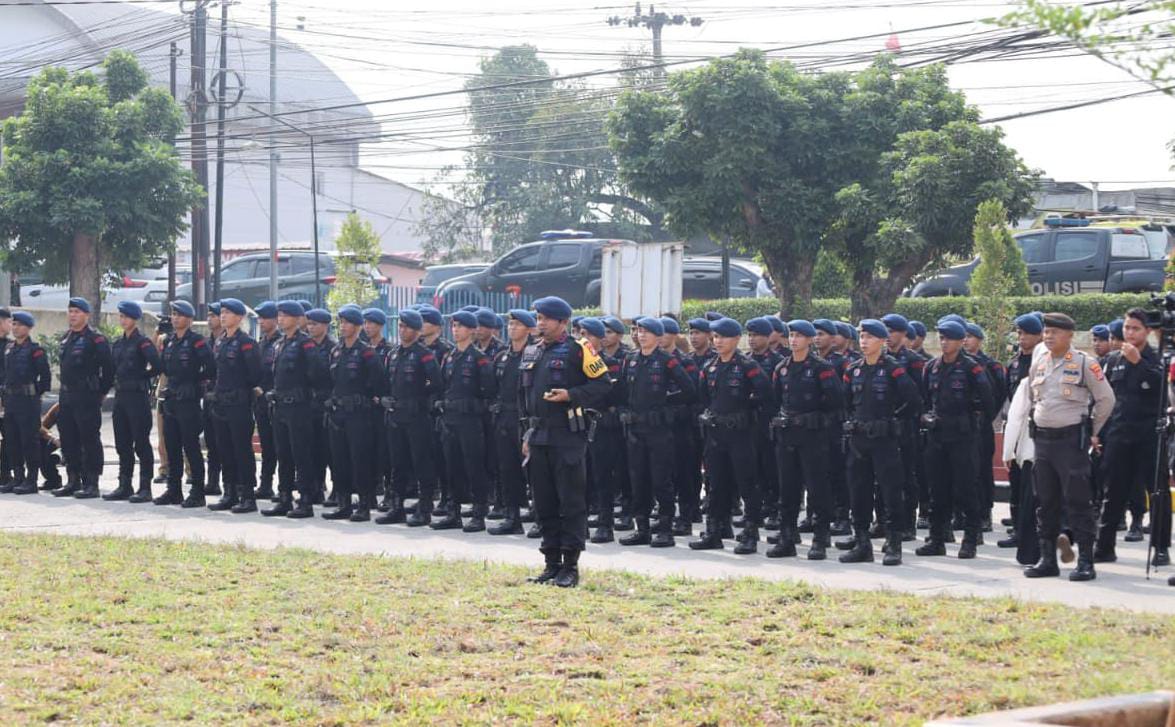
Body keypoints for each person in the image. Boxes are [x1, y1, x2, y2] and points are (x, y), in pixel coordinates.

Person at [520, 296, 610, 587]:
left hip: (567, 436)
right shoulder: (532, 351)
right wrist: (526, 434)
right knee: (543, 502)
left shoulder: (578, 349)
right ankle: (550, 562)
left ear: (562, 323)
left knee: (570, 502)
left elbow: (602, 384)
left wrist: (571, 395)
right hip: (538, 436)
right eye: (538, 317)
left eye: (546, 318)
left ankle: (570, 565)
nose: (540, 323)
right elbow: (523, 397)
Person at [1023, 313, 1115, 582]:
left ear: (1070, 335)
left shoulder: (1085, 363)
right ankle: (1048, 559)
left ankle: (1085, 560)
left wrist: (1092, 430)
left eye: (1055, 332)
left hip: (1070, 442)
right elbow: (1032, 396)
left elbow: (1106, 399)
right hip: (1043, 442)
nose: (1049, 336)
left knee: (1078, 502)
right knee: (1046, 501)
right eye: (1046, 332)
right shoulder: (1039, 362)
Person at [839, 319, 922, 566]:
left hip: (885, 440)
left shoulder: (893, 369)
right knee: (858, 492)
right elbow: (845, 403)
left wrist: (893, 421)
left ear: (881, 341)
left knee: (890, 492)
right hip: (859, 440)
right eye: (861, 337)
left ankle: (893, 543)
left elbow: (914, 402)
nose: (864, 342)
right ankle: (862, 543)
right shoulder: (852, 369)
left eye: (869, 337)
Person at [690, 318, 772, 554]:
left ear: (736, 339)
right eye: (715, 337)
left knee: (747, 484)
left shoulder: (747, 366)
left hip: (741, 435)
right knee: (716, 485)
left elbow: (766, 396)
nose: (718, 341)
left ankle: (750, 533)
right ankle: (714, 531)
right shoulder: (710, 367)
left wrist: (748, 414)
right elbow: (705, 398)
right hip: (716, 435)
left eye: (723, 337)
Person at [916, 320, 995, 559]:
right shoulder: (931, 367)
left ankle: (970, 539)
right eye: (941, 338)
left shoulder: (972, 368)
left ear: (961, 341)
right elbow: (924, 399)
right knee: (937, 490)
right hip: (938, 437)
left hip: (963, 438)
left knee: (966, 489)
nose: (944, 342)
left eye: (949, 338)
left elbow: (988, 402)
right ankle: (937, 539)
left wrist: (974, 424)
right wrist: (926, 418)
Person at [1095, 308, 1168, 566]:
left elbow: (1161, 389)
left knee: (1156, 492)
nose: (1129, 333)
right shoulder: (1113, 359)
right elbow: (1105, 399)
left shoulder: (1158, 358)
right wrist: (1097, 433)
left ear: (1147, 331)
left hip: (1149, 434)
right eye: (1127, 328)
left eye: (1135, 328)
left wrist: (1140, 362)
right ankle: (1104, 546)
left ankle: (1160, 547)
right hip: (1119, 433)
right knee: (1113, 490)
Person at [617, 316, 697, 547]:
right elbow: (621, 391)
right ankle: (641, 528)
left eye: (647, 332)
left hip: (658, 430)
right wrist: (623, 410)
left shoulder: (667, 361)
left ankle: (664, 529)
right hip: (635, 430)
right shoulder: (630, 359)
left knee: (661, 481)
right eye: (639, 331)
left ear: (658, 336)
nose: (641, 335)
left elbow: (689, 390)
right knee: (638, 479)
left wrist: (665, 403)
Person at [768, 319, 843, 560]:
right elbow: (776, 400)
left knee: (817, 488)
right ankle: (787, 537)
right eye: (791, 335)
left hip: (813, 438)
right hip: (788, 437)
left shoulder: (822, 368)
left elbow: (836, 404)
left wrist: (815, 420)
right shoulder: (782, 368)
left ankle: (820, 538)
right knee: (788, 489)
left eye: (800, 335)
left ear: (810, 340)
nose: (794, 340)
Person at [261, 301, 328, 519]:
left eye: (286, 316)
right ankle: (284, 497)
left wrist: (307, 395)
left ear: (298, 319)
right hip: (280, 407)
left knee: (301, 455)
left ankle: (306, 499)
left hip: (299, 407)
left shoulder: (305, 344)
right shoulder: (280, 343)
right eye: (279, 315)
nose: (280, 319)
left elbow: (318, 374)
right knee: (283, 454)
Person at [376, 308, 443, 527]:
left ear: (416, 331)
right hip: (396, 416)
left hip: (417, 416)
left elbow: (437, 384)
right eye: (401, 326)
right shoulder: (393, 354)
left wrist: (423, 400)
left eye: (407, 327)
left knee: (421, 462)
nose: (402, 330)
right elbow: (387, 382)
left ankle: (424, 508)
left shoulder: (425, 355)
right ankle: (397, 507)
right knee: (398, 464)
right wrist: (385, 399)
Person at [432, 310, 496, 531]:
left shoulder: (479, 359)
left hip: (470, 422)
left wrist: (474, 408)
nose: (455, 330)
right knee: (452, 468)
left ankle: (478, 513)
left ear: (471, 330)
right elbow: (443, 386)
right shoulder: (449, 357)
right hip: (450, 420)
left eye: (460, 326)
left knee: (474, 467)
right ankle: (453, 512)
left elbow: (489, 393)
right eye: (454, 326)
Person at [321, 307, 386, 522]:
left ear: (358, 326)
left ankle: (364, 505)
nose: (343, 327)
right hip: (338, 414)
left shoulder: (367, 352)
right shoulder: (336, 351)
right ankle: (344, 503)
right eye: (341, 323)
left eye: (347, 323)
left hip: (359, 414)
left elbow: (378, 382)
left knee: (360, 460)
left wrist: (367, 399)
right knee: (339, 461)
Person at [51, 297, 113, 499]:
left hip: (87, 396)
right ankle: (73, 479)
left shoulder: (96, 339)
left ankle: (91, 482)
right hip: (67, 396)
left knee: (89, 439)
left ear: (86, 315)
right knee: (68, 438)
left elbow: (109, 369)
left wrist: (100, 392)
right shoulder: (66, 338)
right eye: (70, 311)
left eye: (77, 312)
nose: (73, 315)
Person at [155, 300, 216, 507]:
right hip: (171, 399)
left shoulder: (197, 342)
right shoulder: (170, 342)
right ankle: (174, 490)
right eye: (173, 314)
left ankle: (197, 492)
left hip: (188, 401)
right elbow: (163, 367)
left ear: (189, 319)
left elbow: (210, 368)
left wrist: (195, 383)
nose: (175, 318)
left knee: (191, 447)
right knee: (172, 447)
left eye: (179, 315)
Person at [207, 298, 262, 514]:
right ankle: (229, 493)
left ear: (239, 317)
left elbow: (255, 374)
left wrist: (240, 392)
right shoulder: (220, 341)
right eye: (222, 312)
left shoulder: (246, 342)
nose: (223, 316)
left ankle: (247, 495)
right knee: (224, 449)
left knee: (242, 450)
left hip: (238, 404)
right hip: (221, 403)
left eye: (228, 312)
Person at [104, 300, 162, 503]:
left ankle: (145, 487)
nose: (123, 320)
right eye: (121, 316)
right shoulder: (118, 343)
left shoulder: (143, 342)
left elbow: (156, 365)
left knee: (141, 443)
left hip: (137, 397)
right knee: (122, 443)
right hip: (121, 397)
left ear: (134, 319)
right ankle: (124, 484)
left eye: (126, 317)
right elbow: (112, 369)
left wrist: (142, 376)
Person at [1001, 313, 1044, 558]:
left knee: (1034, 489)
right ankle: (1019, 530)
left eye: (1027, 333)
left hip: (1037, 434)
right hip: (1019, 433)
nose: (1022, 337)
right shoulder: (1015, 363)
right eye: (1019, 333)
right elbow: (1009, 402)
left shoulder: (1040, 363)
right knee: (1017, 484)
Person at [487, 309, 534, 535]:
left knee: (534, 473)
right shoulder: (502, 357)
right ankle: (512, 516)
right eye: (510, 324)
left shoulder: (535, 354)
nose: (512, 328)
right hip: (504, 419)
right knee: (507, 470)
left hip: (525, 420)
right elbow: (492, 387)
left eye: (517, 324)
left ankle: (540, 518)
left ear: (529, 329)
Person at [880, 313, 924, 541]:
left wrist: (901, 416)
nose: (888, 336)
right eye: (884, 331)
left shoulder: (914, 361)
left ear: (903, 334)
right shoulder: (877, 359)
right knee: (881, 477)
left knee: (906, 476)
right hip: (881, 427)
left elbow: (919, 396)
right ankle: (882, 522)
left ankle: (908, 523)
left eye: (892, 331)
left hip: (905, 426)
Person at [962, 322, 1006, 532]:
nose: (966, 340)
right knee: (963, 470)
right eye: (964, 336)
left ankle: (984, 512)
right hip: (962, 425)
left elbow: (998, 393)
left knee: (982, 470)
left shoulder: (991, 365)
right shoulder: (956, 363)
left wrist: (987, 415)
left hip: (981, 424)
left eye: (970, 336)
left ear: (979, 340)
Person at [3, 311, 51, 494]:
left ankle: (31, 480)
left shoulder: (35, 350)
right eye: (13, 324)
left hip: (28, 401)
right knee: (12, 440)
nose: (15, 328)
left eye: (20, 325)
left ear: (29, 328)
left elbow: (45, 378)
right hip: (11, 401)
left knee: (28, 440)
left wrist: (33, 393)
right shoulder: (9, 348)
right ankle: (18, 478)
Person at [745, 317, 783, 532]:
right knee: (752, 468)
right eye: (749, 335)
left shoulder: (776, 362)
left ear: (768, 337)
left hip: (768, 422)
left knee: (771, 468)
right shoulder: (744, 360)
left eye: (756, 335)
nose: (751, 339)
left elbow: (775, 395)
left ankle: (774, 508)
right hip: (748, 423)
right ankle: (756, 509)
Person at [361, 308, 395, 513]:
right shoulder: (362, 349)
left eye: (371, 323)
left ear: (380, 326)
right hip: (365, 408)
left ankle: (390, 493)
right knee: (367, 451)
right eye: (365, 323)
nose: (367, 327)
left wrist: (382, 397)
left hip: (381, 408)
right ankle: (371, 492)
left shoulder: (389, 349)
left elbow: (390, 378)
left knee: (385, 453)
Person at [305, 308, 335, 504]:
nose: (311, 327)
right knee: (311, 448)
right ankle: (315, 487)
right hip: (308, 403)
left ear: (324, 326)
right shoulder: (304, 345)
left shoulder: (333, 347)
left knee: (330, 450)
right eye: (309, 324)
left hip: (326, 404)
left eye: (314, 324)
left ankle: (337, 488)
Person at [253, 301, 281, 502]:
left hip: (277, 401)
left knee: (281, 446)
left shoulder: (281, 342)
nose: (261, 322)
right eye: (260, 318)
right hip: (261, 402)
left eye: (265, 318)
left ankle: (285, 486)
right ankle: (265, 484)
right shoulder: (261, 343)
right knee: (266, 445)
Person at [202, 301, 224, 497]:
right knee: (211, 441)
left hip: (227, 399)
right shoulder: (207, 343)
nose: (211, 319)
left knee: (226, 443)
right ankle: (213, 481)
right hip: (209, 397)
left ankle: (238, 486)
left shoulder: (230, 341)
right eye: (209, 315)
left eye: (214, 315)